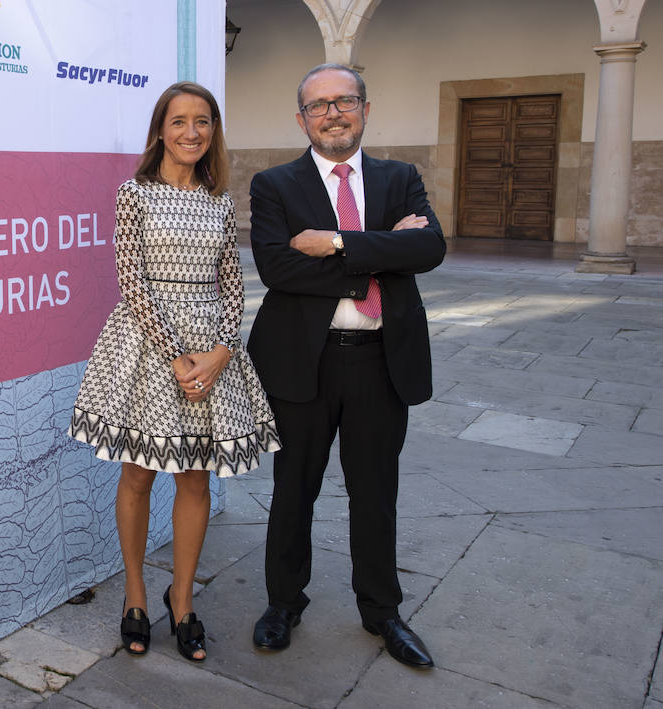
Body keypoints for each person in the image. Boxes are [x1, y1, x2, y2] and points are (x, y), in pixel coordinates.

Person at [69, 81, 281, 662]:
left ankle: (182, 599)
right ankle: (136, 594)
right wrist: (177, 356)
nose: (192, 132)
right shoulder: (134, 193)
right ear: (160, 129)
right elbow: (132, 280)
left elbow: (234, 284)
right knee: (138, 474)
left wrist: (221, 350)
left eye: (204, 121)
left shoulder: (220, 201)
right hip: (146, 346)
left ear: (213, 131)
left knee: (195, 477)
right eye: (180, 120)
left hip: (209, 347)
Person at [247, 63, 445, 669]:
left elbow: (430, 248)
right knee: (293, 492)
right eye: (319, 105)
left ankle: (382, 611)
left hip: (381, 362)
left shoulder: (398, 177)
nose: (333, 113)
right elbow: (279, 270)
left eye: (345, 101)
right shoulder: (274, 184)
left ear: (365, 107)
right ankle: (284, 603)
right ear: (301, 118)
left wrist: (335, 243)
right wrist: (387, 249)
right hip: (303, 364)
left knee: (375, 493)